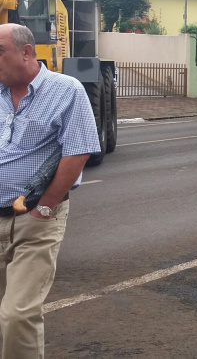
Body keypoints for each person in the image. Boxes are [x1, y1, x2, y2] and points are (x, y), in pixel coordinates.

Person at [0, 24, 100, 357]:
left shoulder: (65, 89)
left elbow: (79, 150)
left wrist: (45, 206)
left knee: (17, 314)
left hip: (33, 218)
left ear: (26, 52)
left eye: (0, 52)